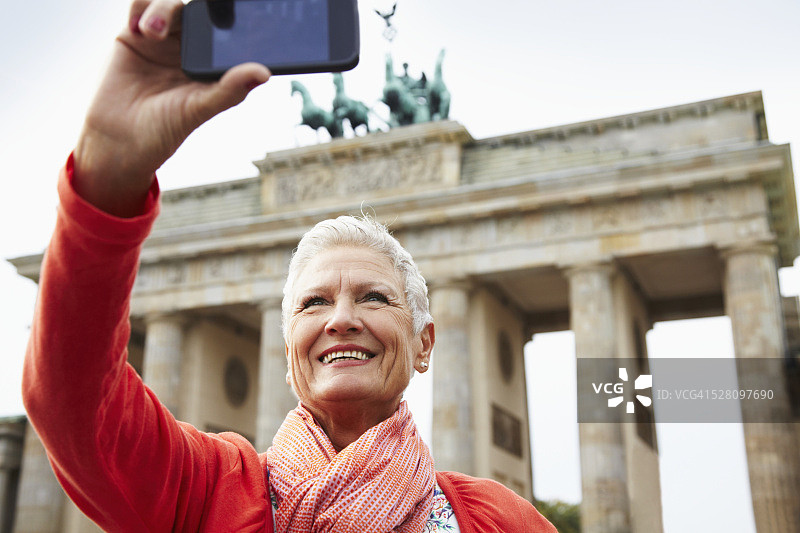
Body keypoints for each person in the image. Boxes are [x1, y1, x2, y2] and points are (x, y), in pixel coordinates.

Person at [22, 1, 558, 531]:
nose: (340, 319)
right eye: (314, 302)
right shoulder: (207, 491)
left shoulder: (498, 520)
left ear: (424, 342)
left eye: (374, 297)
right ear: (287, 350)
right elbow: (74, 397)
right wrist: (109, 167)